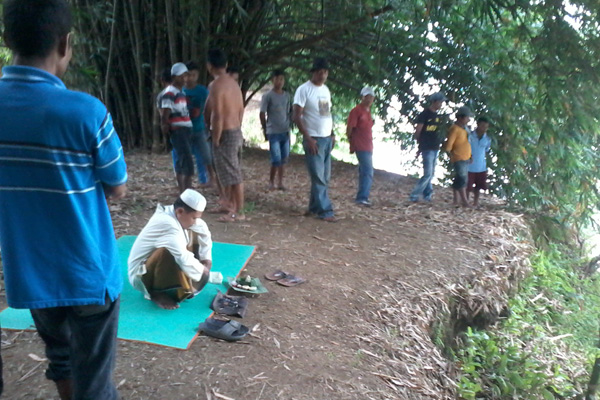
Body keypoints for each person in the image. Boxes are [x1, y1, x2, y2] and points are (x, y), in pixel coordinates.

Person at [0, 1, 128, 399]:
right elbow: (117, 186)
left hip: (32, 272)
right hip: (88, 273)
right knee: (96, 379)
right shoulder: (86, 112)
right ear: (65, 43)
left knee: (61, 358)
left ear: (6, 41)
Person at [128, 190, 215, 310]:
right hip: (140, 275)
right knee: (168, 251)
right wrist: (203, 272)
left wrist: (206, 258)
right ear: (180, 211)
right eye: (193, 218)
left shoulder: (175, 213)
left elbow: (203, 229)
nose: (195, 221)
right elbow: (183, 257)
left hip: (153, 266)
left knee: (194, 231)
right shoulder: (167, 223)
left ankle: (180, 282)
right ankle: (156, 292)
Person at [204, 49, 246, 222]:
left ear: (209, 66)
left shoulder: (216, 85)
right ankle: (227, 203)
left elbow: (218, 114)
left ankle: (239, 212)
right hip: (235, 130)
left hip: (225, 132)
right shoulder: (233, 83)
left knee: (233, 173)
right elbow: (241, 109)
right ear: (226, 65)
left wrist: (216, 136)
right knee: (226, 172)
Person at [293, 57, 336, 222]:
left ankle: (313, 207)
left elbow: (326, 113)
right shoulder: (303, 90)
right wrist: (308, 138)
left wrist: (332, 133)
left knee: (324, 176)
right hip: (313, 138)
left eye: (325, 72)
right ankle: (325, 211)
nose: (322, 75)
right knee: (318, 176)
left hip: (326, 138)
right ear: (313, 72)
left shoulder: (325, 90)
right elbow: (297, 116)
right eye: (319, 72)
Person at [160, 62, 195, 193]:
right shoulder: (170, 93)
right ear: (174, 77)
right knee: (187, 164)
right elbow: (165, 113)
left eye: (186, 76)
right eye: (182, 76)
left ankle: (184, 193)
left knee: (183, 163)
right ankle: (187, 194)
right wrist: (166, 127)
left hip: (184, 130)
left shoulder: (180, 92)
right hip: (179, 131)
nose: (185, 79)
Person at [409, 92, 447, 202]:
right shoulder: (424, 114)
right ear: (434, 101)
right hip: (427, 147)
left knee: (431, 173)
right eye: (440, 102)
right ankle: (414, 195)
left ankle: (427, 194)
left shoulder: (437, 116)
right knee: (427, 173)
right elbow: (418, 131)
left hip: (435, 147)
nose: (441, 104)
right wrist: (420, 144)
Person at [184, 61, 215, 187]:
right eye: (188, 75)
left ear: (197, 76)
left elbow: (211, 107)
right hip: (184, 130)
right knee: (185, 157)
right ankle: (187, 182)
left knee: (206, 155)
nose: (190, 78)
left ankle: (212, 179)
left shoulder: (202, 91)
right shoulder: (180, 91)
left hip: (200, 128)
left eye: (193, 75)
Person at [260, 69, 292, 190]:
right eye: (277, 79)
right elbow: (262, 113)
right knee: (276, 158)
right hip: (273, 131)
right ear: (272, 80)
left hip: (285, 130)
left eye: (282, 79)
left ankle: (280, 182)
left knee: (284, 158)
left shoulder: (287, 96)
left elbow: (289, 112)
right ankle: (271, 181)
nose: (280, 82)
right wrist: (265, 129)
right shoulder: (267, 96)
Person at [347, 86, 376, 206]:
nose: (369, 99)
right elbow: (349, 128)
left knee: (365, 171)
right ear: (362, 97)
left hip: (368, 145)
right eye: (367, 97)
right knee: (368, 171)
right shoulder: (356, 111)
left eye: (371, 97)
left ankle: (363, 195)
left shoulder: (368, 112)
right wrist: (352, 143)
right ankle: (362, 197)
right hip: (360, 145)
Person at [444, 106, 473, 207]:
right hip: (458, 157)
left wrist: (470, 155)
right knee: (462, 179)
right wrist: (451, 154)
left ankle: (456, 200)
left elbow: (468, 143)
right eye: (467, 117)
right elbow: (449, 144)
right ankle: (464, 201)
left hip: (465, 157)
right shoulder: (455, 129)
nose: (468, 120)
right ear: (460, 118)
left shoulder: (465, 129)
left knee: (459, 179)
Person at [467, 116, 492, 206]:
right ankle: (466, 201)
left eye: (486, 127)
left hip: (481, 166)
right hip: (469, 166)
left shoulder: (487, 139)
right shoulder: (470, 136)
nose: (484, 129)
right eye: (482, 126)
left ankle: (475, 202)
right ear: (477, 125)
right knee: (468, 185)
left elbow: (486, 150)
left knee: (478, 186)